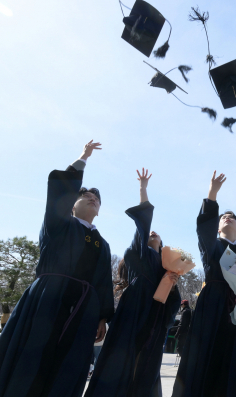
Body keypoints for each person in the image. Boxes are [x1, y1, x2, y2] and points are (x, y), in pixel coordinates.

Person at [0, 140, 114, 397]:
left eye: (97, 199)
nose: (93, 199)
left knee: (68, 367)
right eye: (86, 195)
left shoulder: (103, 245)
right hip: (47, 300)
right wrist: (83, 157)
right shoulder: (59, 224)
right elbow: (59, 194)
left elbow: (104, 281)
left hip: (84, 309)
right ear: (72, 204)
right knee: (31, 360)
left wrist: (102, 316)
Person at [86, 168, 181, 397]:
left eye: (156, 234)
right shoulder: (139, 255)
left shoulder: (166, 266)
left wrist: (173, 282)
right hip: (134, 309)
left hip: (155, 316)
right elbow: (142, 227)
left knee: (146, 367)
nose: (153, 233)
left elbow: (173, 302)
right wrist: (143, 190)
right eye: (150, 233)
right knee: (121, 359)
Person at [172, 171, 236, 397]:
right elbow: (203, 227)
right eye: (223, 217)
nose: (227, 218)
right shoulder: (211, 245)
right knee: (205, 356)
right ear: (216, 226)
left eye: (232, 217)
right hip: (212, 304)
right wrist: (212, 195)